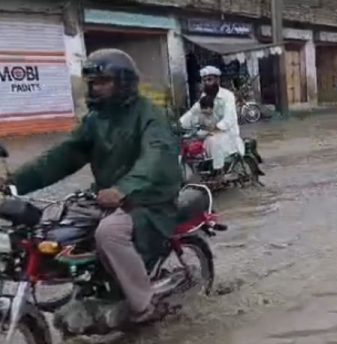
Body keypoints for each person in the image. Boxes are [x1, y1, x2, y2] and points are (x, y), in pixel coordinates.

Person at [6, 49, 182, 323]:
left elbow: (156, 156)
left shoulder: (150, 115)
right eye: (93, 83)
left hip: (149, 197)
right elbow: (62, 156)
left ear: (123, 82)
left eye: (104, 82)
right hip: (107, 196)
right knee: (61, 224)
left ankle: (144, 304)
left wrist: (123, 189)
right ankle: (93, 286)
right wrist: (14, 182)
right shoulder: (95, 120)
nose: (96, 88)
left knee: (109, 233)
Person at [180, 66, 244, 172]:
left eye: (209, 79)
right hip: (209, 133)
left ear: (217, 80)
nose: (206, 83)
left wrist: (214, 128)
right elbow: (193, 113)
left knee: (213, 141)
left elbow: (229, 119)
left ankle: (218, 171)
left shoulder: (227, 96)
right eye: (204, 80)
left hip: (227, 134)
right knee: (191, 144)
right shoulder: (204, 97)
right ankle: (203, 171)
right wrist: (179, 124)